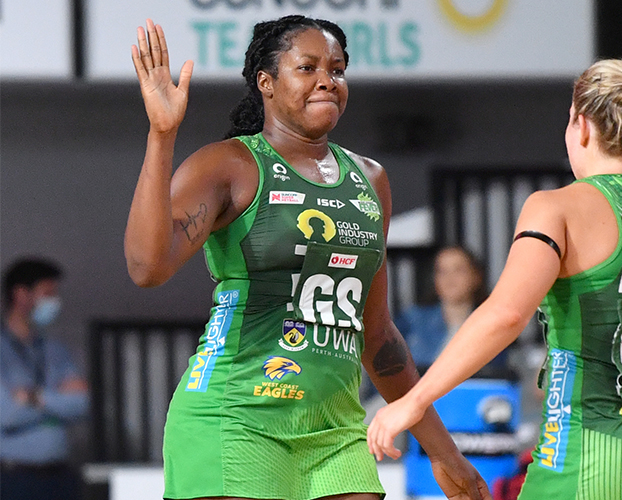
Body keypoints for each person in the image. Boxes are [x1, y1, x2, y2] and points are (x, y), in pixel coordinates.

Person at [367, 59, 622, 499]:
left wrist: (415, 399)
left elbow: (505, 315)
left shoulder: (555, 207)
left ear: (581, 127)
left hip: (596, 454)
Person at [124, 16, 488, 500]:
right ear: (267, 83)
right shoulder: (230, 163)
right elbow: (148, 267)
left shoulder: (370, 178)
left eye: (337, 70)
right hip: (236, 417)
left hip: (335, 432)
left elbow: (376, 336)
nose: (326, 81)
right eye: (308, 67)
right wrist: (162, 134)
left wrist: (444, 452)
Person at [0, 258, 89, 500]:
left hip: (59, 478)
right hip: (12, 480)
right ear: (20, 295)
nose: (54, 302)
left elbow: (83, 404)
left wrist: (32, 397)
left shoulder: (55, 351)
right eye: (47, 293)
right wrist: (58, 399)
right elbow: (5, 414)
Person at [396, 245, 511, 376]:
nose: (450, 278)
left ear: (476, 276)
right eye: (442, 271)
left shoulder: (493, 325)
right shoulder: (412, 320)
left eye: (459, 270)